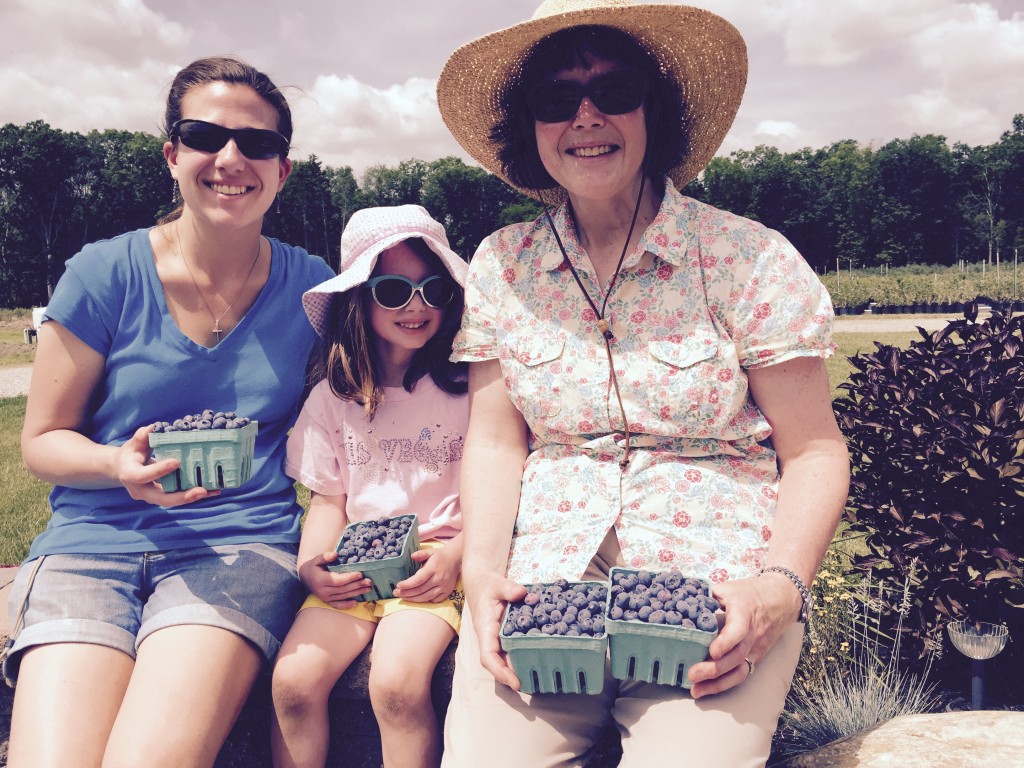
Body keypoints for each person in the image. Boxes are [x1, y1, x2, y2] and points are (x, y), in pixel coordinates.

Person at [434, 1, 851, 765]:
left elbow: (817, 450)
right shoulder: (502, 264)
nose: (586, 117)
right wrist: (484, 573)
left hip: (713, 595)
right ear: (531, 127)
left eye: (615, 90)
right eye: (557, 99)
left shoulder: (745, 258)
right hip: (546, 589)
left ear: (654, 110)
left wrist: (779, 589)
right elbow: (496, 441)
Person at [4, 56, 334, 768]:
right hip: (90, 544)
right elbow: (41, 441)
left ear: (282, 169)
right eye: (205, 135)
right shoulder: (105, 273)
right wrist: (113, 464)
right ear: (172, 154)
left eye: (258, 143)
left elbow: (388, 387)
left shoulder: (313, 287)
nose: (231, 158)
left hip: (238, 545)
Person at [270, 205, 468, 768]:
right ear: (357, 298)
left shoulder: (467, 385)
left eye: (434, 289)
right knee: (292, 682)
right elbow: (329, 500)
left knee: (397, 686)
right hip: (355, 563)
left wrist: (457, 553)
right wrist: (312, 564)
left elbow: (494, 483)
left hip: (433, 563)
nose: (417, 305)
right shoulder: (332, 399)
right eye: (393, 290)